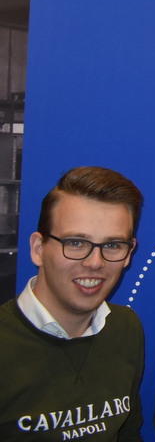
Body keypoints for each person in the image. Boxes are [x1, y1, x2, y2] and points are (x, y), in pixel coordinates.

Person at [0, 166, 144, 441]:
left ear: (128, 254)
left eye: (112, 245)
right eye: (76, 243)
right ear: (38, 249)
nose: (95, 262)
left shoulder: (125, 329)